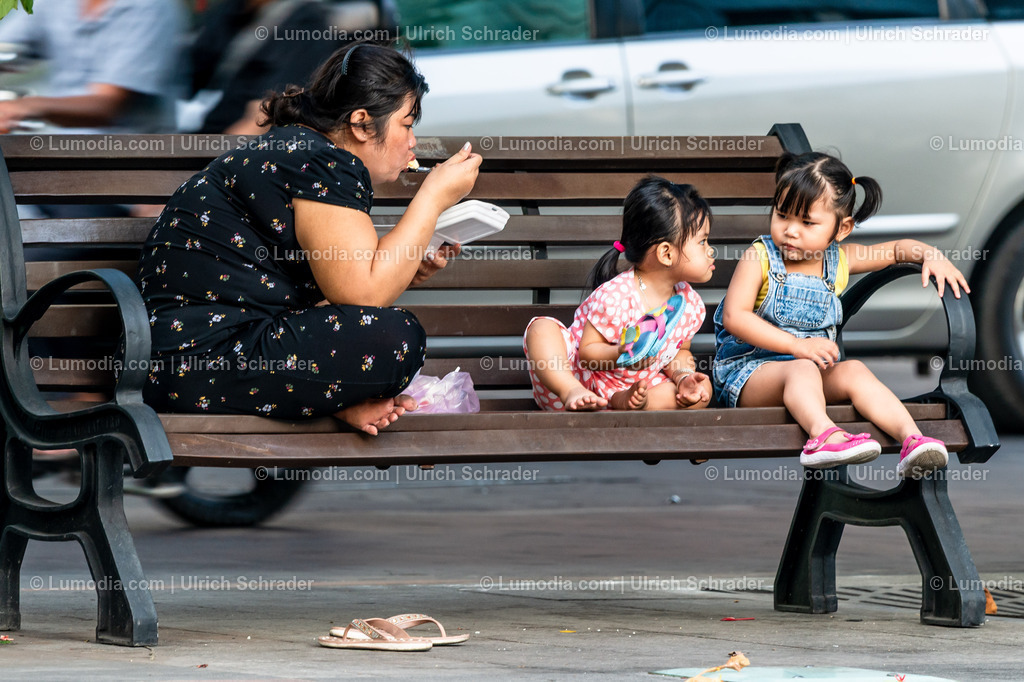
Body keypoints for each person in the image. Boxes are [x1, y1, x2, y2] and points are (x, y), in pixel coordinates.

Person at [135, 42, 482, 435]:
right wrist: (433, 197)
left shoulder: (298, 149)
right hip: (202, 361)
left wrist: (407, 270)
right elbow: (361, 295)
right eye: (406, 124)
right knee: (396, 337)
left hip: (182, 360)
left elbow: (327, 295)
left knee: (380, 330)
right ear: (362, 123)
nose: (413, 142)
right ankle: (332, 400)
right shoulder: (325, 163)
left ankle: (330, 404)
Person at [713, 151, 969, 477]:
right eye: (782, 215)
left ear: (842, 228)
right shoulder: (760, 257)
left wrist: (931, 255)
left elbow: (894, 250)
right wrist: (797, 346)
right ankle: (822, 436)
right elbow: (736, 317)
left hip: (807, 372)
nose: (791, 231)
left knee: (854, 371)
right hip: (747, 375)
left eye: (807, 222)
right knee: (802, 369)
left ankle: (912, 440)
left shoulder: (839, 261)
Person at [523, 177, 715, 411]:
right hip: (581, 378)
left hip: (636, 389)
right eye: (703, 242)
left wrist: (684, 377)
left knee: (699, 397)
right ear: (666, 253)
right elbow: (587, 355)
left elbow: (680, 351)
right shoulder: (617, 296)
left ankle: (627, 404)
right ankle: (569, 390)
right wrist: (620, 353)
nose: (710, 250)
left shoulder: (689, 304)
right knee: (541, 328)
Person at [0, 0, 184, 134]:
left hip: (129, 159)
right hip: (57, 148)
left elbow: (108, 106)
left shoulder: (151, 7)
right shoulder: (55, 4)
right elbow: (5, 45)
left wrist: (26, 106)